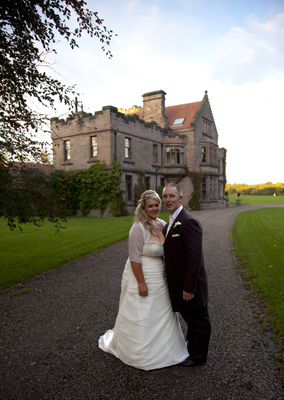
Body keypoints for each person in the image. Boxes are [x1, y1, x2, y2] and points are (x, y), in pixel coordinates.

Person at [98, 190, 188, 370]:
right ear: (144, 207)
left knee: (162, 310)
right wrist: (141, 283)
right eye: (151, 206)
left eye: (157, 205)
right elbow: (134, 258)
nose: (154, 209)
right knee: (142, 311)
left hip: (160, 276)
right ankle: (140, 352)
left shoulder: (162, 224)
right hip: (141, 273)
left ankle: (166, 349)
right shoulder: (138, 228)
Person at [162, 183, 211, 367]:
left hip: (190, 284)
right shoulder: (170, 222)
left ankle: (198, 357)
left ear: (180, 198)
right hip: (178, 283)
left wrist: (189, 287)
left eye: (172, 196)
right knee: (190, 319)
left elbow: (195, 258)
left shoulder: (188, 221)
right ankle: (192, 349)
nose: (168, 200)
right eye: (165, 196)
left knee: (199, 320)